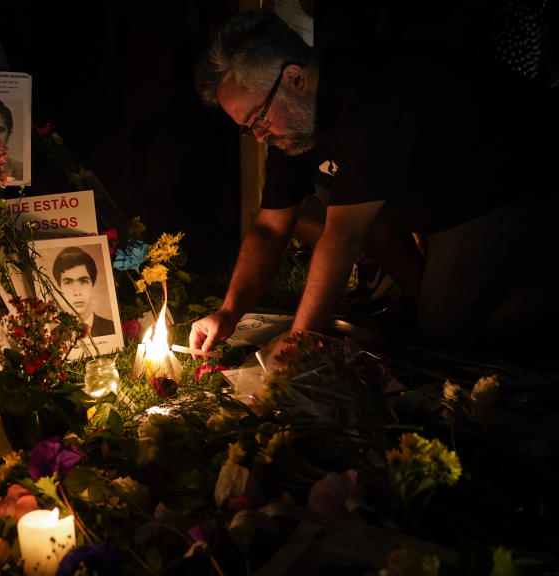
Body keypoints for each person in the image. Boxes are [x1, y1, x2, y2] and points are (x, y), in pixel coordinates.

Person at [188, 9, 559, 359]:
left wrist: (299, 343)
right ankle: (424, 298)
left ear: (295, 78)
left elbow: (342, 236)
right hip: (432, 190)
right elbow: (270, 228)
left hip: (506, 187)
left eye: (257, 119)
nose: (258, 136)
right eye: (246, 127)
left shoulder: (368, 96)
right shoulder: (291, 121)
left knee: (450, 330)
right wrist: (229, 311)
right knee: (348, 201)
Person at [53, 246, 114, 337]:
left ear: (92, 285)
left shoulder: (112, 329)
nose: (77, 292)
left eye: (83, 281)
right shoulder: (53, 336)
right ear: (59, 288)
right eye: (68, 282)